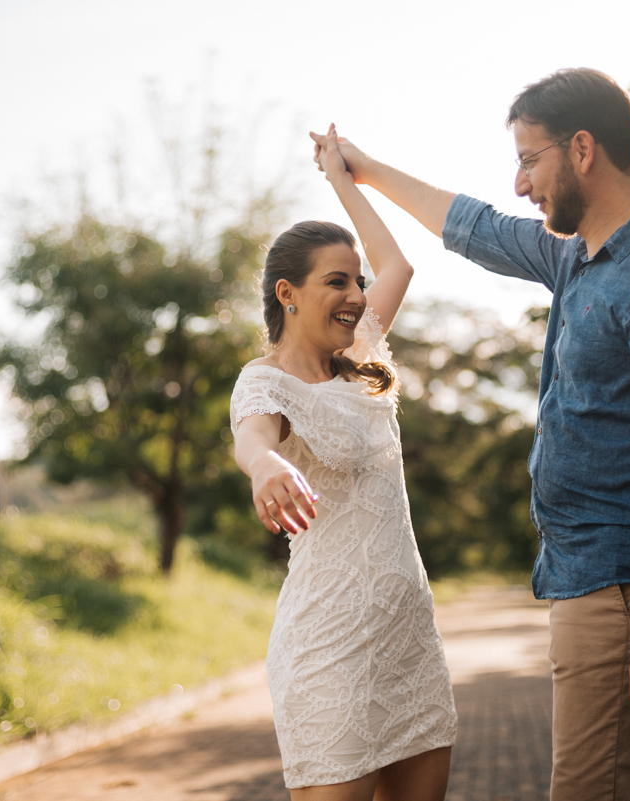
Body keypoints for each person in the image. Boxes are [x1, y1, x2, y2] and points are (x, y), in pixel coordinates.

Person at [311, 69, 630, 801]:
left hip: (628, 586)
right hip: (612, 578)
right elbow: (471, 226)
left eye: (529, 159)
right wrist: (363, 168)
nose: (520, 184)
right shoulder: (578, 255)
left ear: (582, 149)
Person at [229, 124, 457, 801]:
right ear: (286, 293)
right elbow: (253, 436)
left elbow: (399, 266)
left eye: (357, 282)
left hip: (409, 638)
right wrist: (264, 466)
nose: (358, 294)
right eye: (337, 281)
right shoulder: (264, 382)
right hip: (327, 648)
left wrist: (341, 174)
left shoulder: (362, 358)